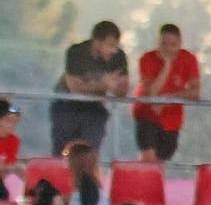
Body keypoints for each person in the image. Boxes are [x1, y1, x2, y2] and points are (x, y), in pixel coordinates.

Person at [51, 21, 128, 155]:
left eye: (116, 46)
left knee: (89, 152)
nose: (114, 50)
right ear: (96, 42)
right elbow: (74, 87)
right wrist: (103, 85)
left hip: (95, 108)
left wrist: (114, 87)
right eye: (110, 45)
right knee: (61, 152)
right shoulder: (76, 52)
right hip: (67, 106)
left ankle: (87, 174)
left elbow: (122, 91)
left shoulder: (118, 57)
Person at [131, 24, 200, 163]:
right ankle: (143, 181)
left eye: (173, 44)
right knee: (148, 156)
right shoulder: (147, 59)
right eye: (164, 44)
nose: (168, 48)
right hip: (147, 113)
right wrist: (167, 66)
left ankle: (152, 183)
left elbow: (195, 92)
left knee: (162, 158)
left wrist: (170, 98)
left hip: (172, 118)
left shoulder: (189, 59)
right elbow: (151, 93)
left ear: (180, 43)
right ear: (158, 43)